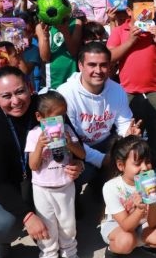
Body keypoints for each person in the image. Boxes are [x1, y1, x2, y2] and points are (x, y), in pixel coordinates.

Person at [0, 66, 85, 258]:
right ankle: (3, 245)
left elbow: (75, 142)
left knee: (84, 175)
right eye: (6, 96)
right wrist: (28, 217)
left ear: (30, 87)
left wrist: (79, 163)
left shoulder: (47, 107)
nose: (16, 101)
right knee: (4, 225)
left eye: (20, 92)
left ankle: (62, 236)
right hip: (5, 182)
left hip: (43, 176)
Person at [56, 42, 141, 191]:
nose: (98, 70)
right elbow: (70, 139)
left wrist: (129, 134)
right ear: (80, 66)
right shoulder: (65, 94)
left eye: (103, 65)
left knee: (131, 155)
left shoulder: (116, 89)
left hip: (106, 141)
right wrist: (102, 160)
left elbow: (124, 122)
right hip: (76, 148)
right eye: (92, 65)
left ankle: (105, 191)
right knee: (74, 173)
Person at [107, 0, 156, 175]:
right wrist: (130, 40)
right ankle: (128, 171)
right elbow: (110, 56)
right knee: (128, 136)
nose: (145, 13)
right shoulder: (121, 31)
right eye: (139, 9)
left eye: (148, 8)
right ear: (129, 11)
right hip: (127, 92)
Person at [25, 91, 86, 258]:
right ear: (39, 117)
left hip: (65, 185)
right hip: (42, 188)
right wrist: (40, 147)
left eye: (63, 115)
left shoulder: (66, 130)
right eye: (55, 117)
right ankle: (49, 257)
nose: (60, 121)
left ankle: (69, 251)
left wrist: (70, 144)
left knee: (68, 223)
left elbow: (82, 155)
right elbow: (33, 166)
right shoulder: (35, 135)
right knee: (48, 226)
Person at [100, 135, 156, 258]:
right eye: (137, 163)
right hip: (117, 226)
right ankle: (112, 251)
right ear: (121, 165)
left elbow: (154, 222)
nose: (145, 168)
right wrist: (139, 209)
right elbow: (126, 227)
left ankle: (147, 246)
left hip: (144, 223)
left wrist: (152, 200)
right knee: (127, 241)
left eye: (147, 162)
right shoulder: (111, 187)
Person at [37, 0, 82, 90]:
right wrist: (45, 36)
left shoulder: (76, 23)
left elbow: (74, 52)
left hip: (72, 75)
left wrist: (65, 31)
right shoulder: (41, 27)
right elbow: (45, 58)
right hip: (52, 79)